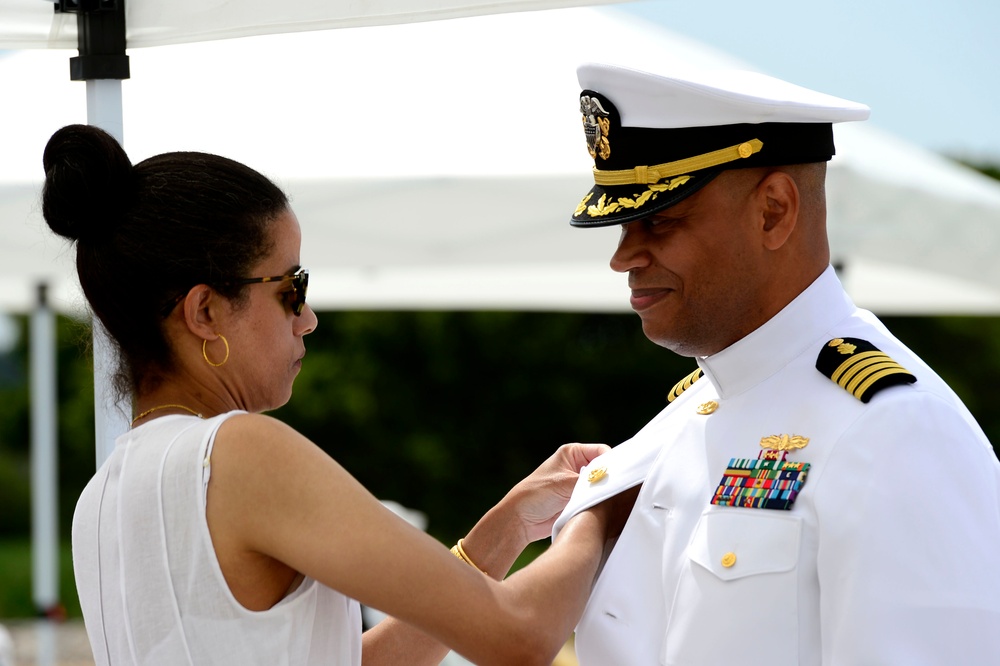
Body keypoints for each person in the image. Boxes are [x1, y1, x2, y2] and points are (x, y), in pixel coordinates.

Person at [43, 124, 632, 666]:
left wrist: (503, 530)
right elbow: (520, 636)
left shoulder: (98, 500)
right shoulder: (237, 452)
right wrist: (601, 508)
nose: (309, 319)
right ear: (205, 311)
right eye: (292, 288)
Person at [553, 63, 1000, 664]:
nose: (623, 257)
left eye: (658, 220)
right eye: (622, 224)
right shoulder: (689, 412)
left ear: (773, 211)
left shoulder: (893, 427)